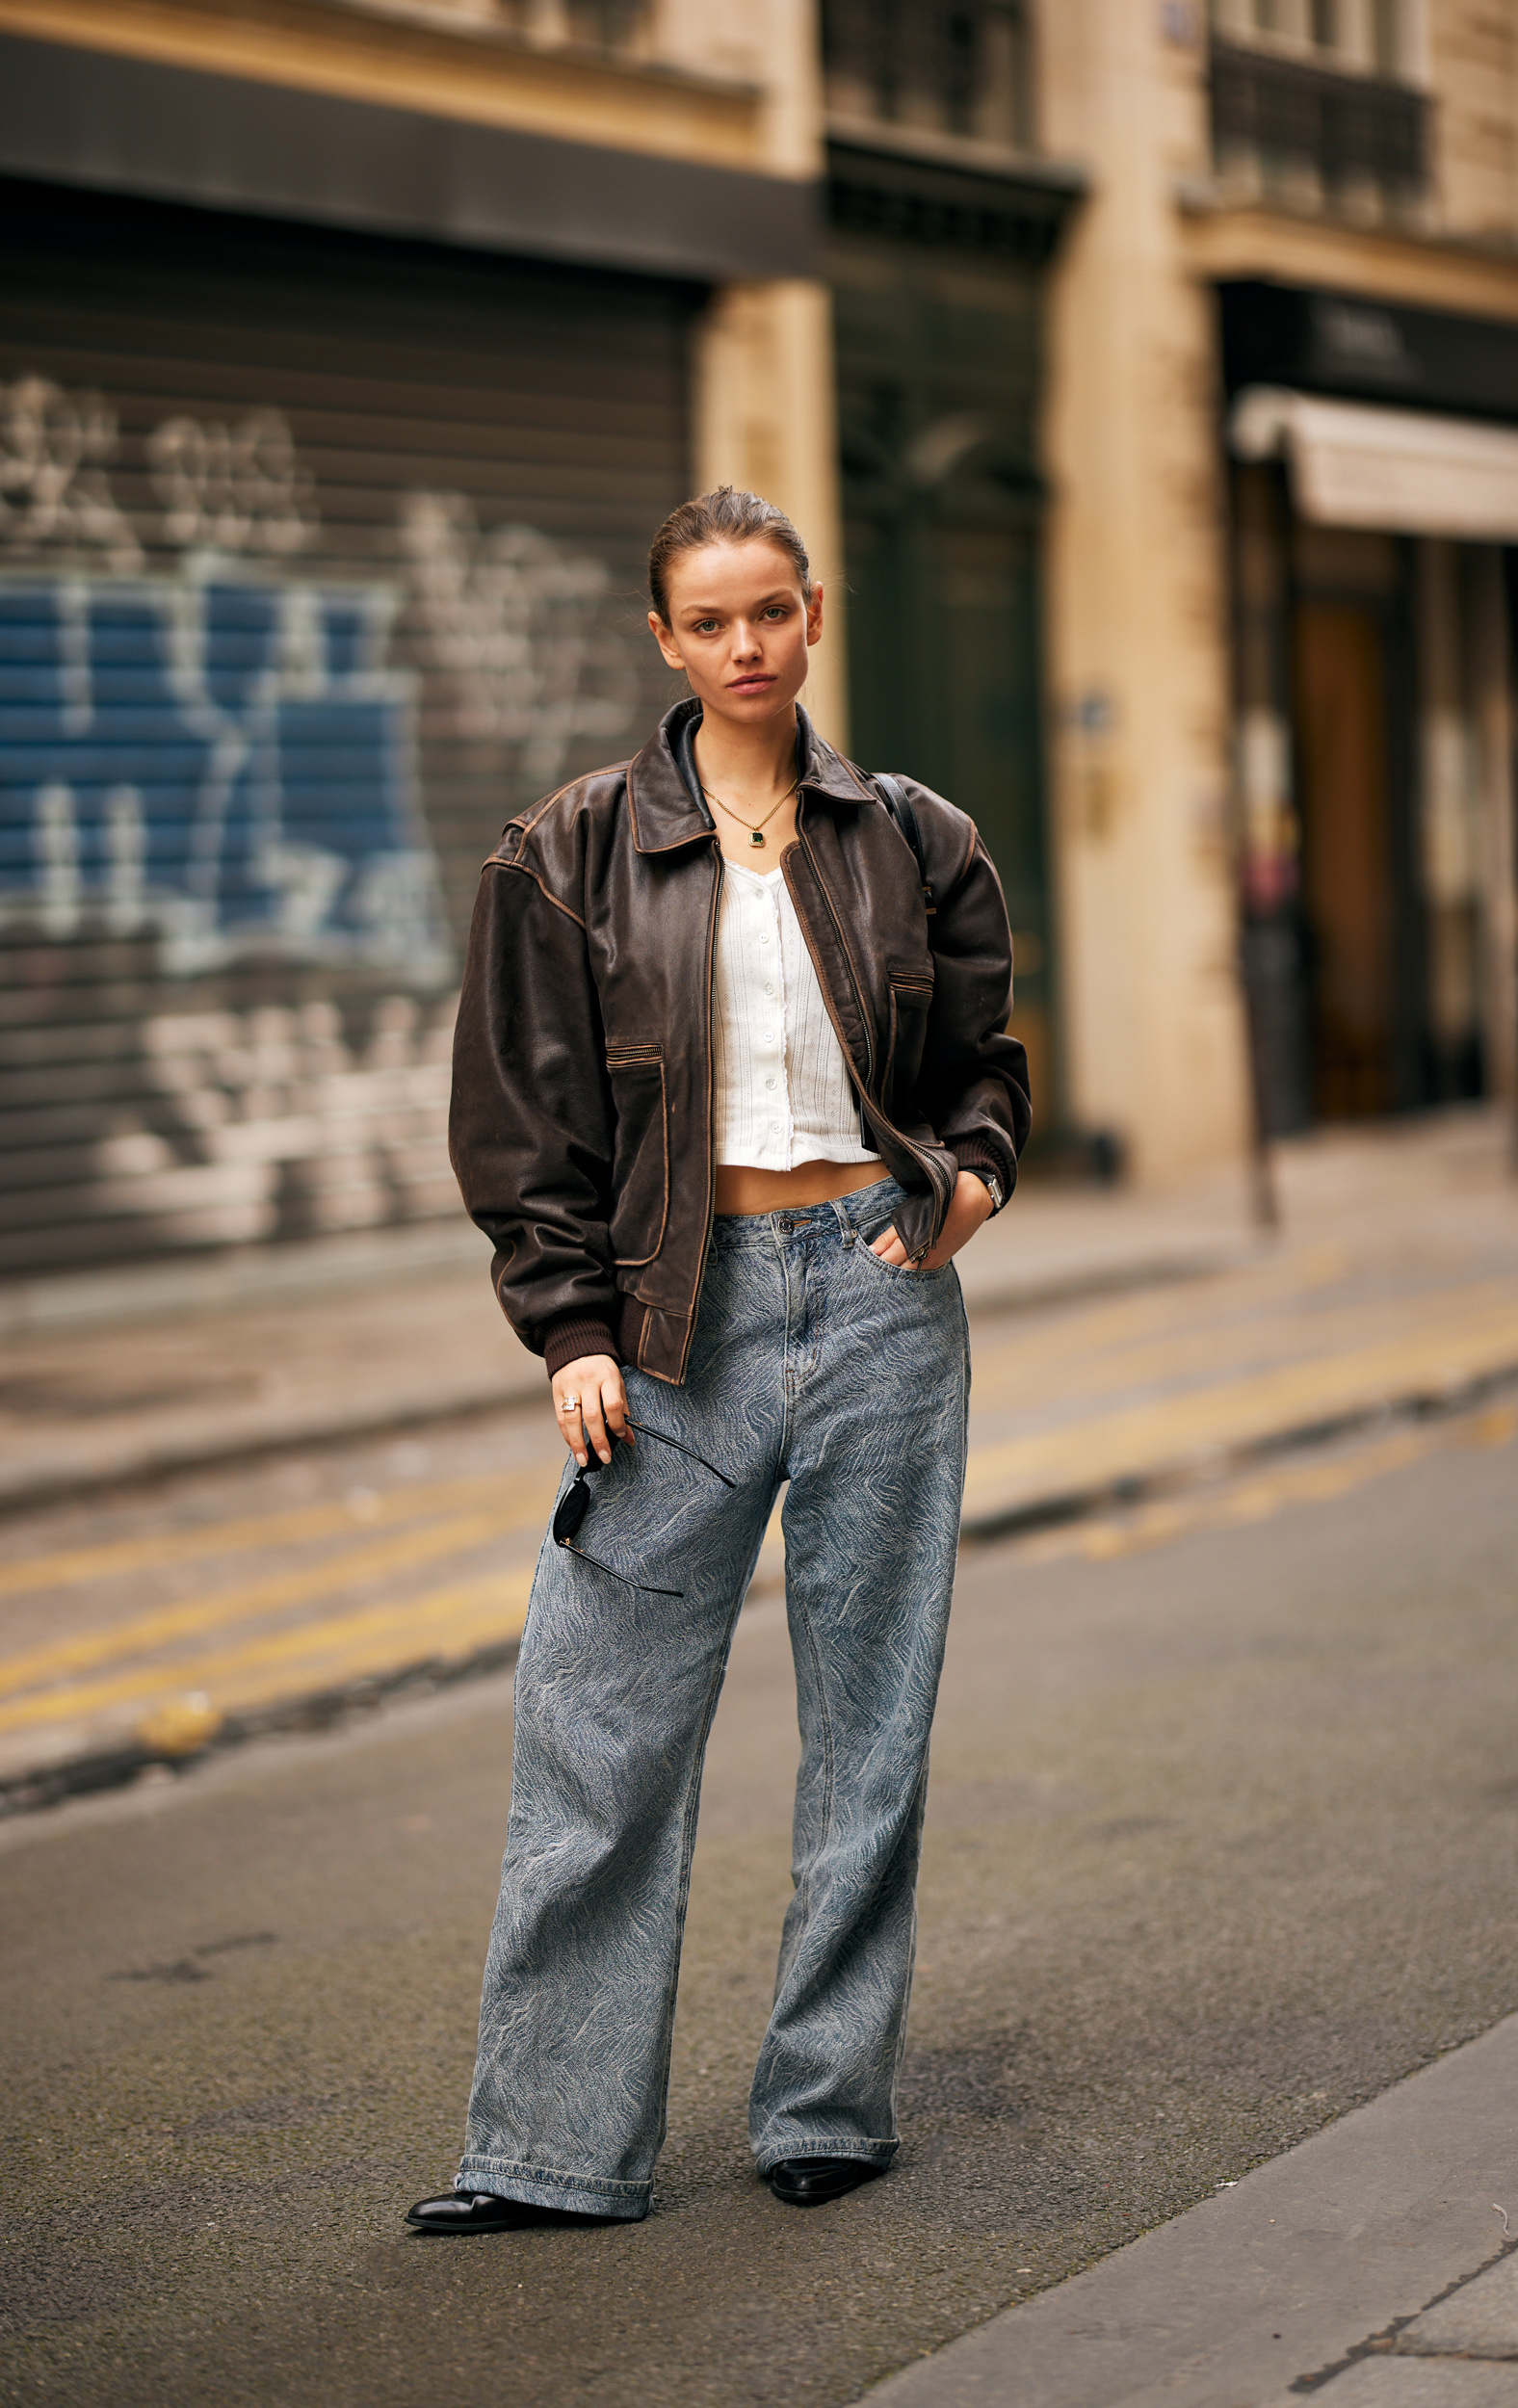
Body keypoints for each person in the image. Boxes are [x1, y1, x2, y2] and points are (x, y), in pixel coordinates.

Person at [406, 486, 1029, 2233]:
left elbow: (983, 1055)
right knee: (594, 1725)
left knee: (869, 1722)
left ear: (814, 616)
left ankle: (826, 2101)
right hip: (673, 1322)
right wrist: (572, 1329)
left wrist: (973, 1176)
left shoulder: (915, 837)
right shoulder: (566, 850)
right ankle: (549, 2148)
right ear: (663, 641)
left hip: (882, 1288)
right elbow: (520, 1125)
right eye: (712, 620)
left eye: (775, 611)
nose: (748, 646)